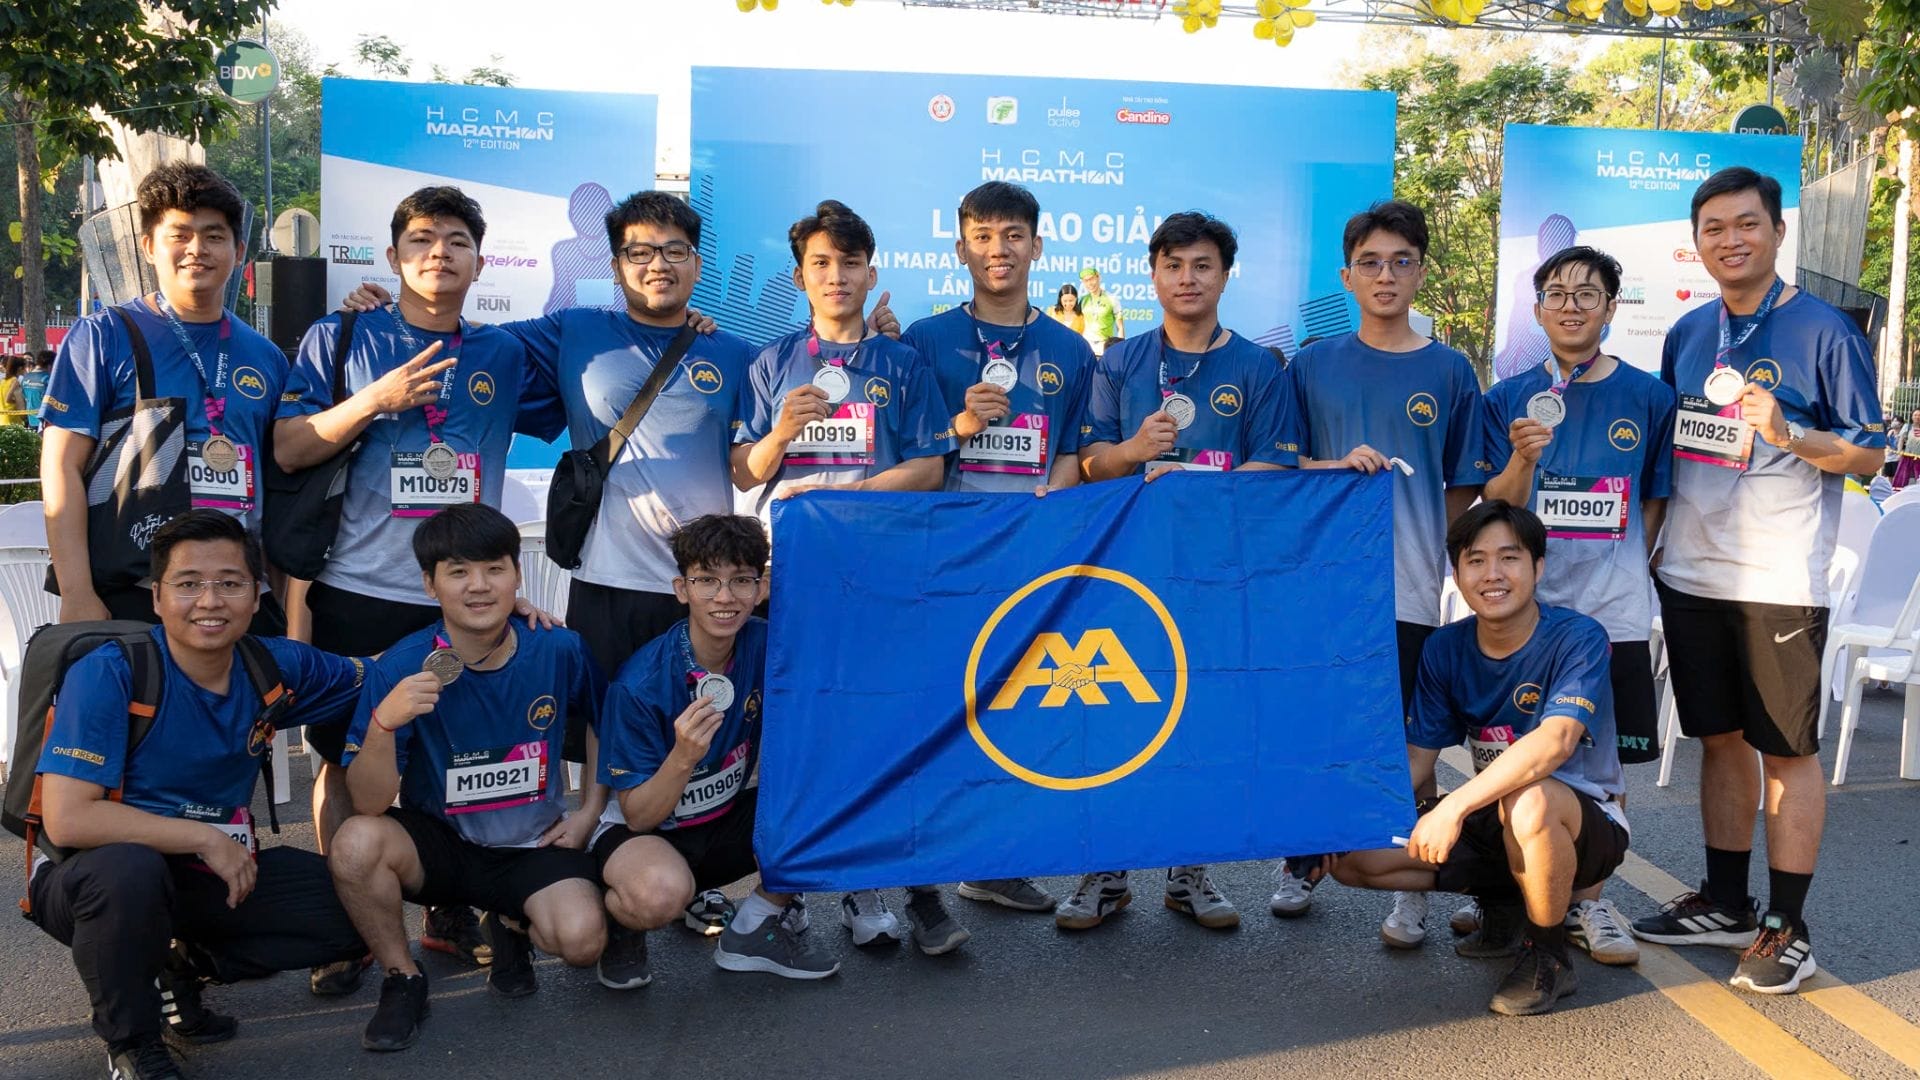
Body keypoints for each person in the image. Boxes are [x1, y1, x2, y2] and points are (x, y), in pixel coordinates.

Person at [1630, 167, 1886, 996]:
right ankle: (1726, 902)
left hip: (1779, 577)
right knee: (1719, 740)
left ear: (1778, 232)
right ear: (1697, 242)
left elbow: (1868, 453)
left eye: (1747, 224)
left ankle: (1788, 925)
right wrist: (1649, 549)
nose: (1731, 239)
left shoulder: (1824, 331)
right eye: (1714, 228)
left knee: (1787, 750)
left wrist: (1790, 433)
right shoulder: (1688, 332)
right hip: (1692, 572)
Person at [277, 185, 537, 984]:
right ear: (392, 257)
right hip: (359, 592)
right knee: (343, 762)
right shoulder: (341, 334)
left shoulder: (505, 354)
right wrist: (374, 401)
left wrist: (695, 323)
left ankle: (448, 906)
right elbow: (288, 447)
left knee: (456, 753)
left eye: (457, 241)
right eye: (421, 239)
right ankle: (350, 924)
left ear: (480, 264)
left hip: (463, 599)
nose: (439, 253)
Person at [25, 510, 369, 1080]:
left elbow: (380, 673)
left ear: (255, 596)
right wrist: (203, 837)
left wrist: (492, 627)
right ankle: (132, 1042)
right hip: (90, 873)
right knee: (128, 874)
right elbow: (68, 819)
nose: (210, 601)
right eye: (188, 584)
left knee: (361, 907)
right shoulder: (111, 672)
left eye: (230, 583)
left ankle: (175, 961)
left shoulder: (272, 664)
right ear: (158, 597)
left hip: (205, 869)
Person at [731, 199, 960, 953]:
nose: (837, 276)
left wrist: (846, 501)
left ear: (870, 272)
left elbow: (929, 468)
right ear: (801, 276)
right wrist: (781, 434)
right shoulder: (770, 363)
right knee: (802, 729)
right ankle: (811, 886)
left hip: (883, 576)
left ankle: (892, 887)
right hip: (792, 580)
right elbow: (744, 470)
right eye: (821, 263)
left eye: (850, 262)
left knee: (881, 725)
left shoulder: (903, 363)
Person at [1066, 210, 1301, 931]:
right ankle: (1104, 870)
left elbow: (1275, 468)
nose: (1187, 278)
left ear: (1225, 275)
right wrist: (1134, 451)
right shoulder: (1119, 363)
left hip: (1217, 578)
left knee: (1204, 721)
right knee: (1115, 717)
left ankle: (1190, 870)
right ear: (1154, 275)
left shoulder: (1258, 368)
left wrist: (1199, 488)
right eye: (1173, 265)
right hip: (1127, 575)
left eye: (1202, 265)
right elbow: (1090, 465)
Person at [1329, 501, 1629, 1017]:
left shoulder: (1578, 637)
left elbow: (1555, 742)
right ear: (1457, 572)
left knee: (1530, 800)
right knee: (1355, 859)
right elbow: (1418, 760)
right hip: (1495, 816)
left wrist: (1453, 807)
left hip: (1583, 822)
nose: (1492, 574)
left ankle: (1548, 955)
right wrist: (1335, 826)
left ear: (1538, 566)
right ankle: (1506, 901)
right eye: (1475, 560)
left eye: (1509, 558)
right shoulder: (1444, 648)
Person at [327, 503, 608, 1051]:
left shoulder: (557, 646)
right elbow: (367, 802)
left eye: (494, 569)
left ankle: (509, 922)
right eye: (458, 572)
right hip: (444, 846)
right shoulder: (402, 665)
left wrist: (591, 811)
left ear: (517, 575)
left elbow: (602, 722)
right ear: (429, 584)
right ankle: (402, 977)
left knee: (581, 942)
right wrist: (384, 723)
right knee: (356, 844)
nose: (479, 586)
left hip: (532, 845)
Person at [1280, 200, 1485, 932]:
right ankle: (1302, 861)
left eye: (1401, 261)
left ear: (1421, 271)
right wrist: (1332, 466)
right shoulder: (1311, 364)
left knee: (1404, 743)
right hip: (1322, 588)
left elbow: (1463, 486)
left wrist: (1446, 563)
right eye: (1370, 262)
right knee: (1317, 728)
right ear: (1347, 276)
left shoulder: (1450, 370)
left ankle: (1410, 877)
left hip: (1409, 591)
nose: (1386, 275)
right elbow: (1283, 467)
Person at [1474, 245, 1676, 966]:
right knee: (1511, 751)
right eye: (1556, 293)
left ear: (1610, 308)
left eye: (1587, 294)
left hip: (1612, 612)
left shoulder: (1650, 397)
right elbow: (1492, 507)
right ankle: (1510, 894)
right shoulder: (1506, 398)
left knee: (1603, 762)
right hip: (1526, 614)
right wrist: (1523, 459)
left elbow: (1654, 502)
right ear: (1537, 310)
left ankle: (1590, 901)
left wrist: (1619, 570)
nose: (1571, 305)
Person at [901, 180, 1097, 916]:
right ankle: (922, 876)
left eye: (1013, 235)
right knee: (938, 713)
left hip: (1028, 564)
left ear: (1036, 246)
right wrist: (957, 425)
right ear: (961, 248)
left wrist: (1046, 521)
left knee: (1013, 713)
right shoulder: (923, 340)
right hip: (945, 563)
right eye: (983, 236)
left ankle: (994, 863)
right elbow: (906, 448)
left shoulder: (1069, 349)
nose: (998, 249)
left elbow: (1072, 453)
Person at [40, 163, 290, 631]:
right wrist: (77, 593)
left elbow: (278, 489)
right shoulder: (103, 337)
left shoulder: (267, 357)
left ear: (238, 251)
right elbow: (61, 466)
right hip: (134, 592)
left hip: (239, 598)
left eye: (214, 236)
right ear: (149, 247)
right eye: (180, 235)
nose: (197, 249)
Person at [592, 513, 838, 985]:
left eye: (741, 580)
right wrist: (683, 756)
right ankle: (623, 923)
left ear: (761, 588)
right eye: (707, 580)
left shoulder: (767, 644)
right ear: (681, 589)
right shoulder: (640, 684)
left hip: (720, 821)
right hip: (645, 834)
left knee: (832, 805)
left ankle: (754, 925)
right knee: (658, 895)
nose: (725, 598)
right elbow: (639, 816)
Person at [1077, 266, 1124, 355]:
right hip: (1086, 345)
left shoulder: (1112, 299)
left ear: (1098, 277)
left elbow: (1120, 327)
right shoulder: (1083, 300)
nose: (1090, 283)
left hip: (1105, 345)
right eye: (1086, 281)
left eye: (1092, 279)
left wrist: (1121, 348)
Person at [21, 349, 52, 429]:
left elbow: (24, 398)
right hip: (45, 422)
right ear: (49, 365)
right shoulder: (48, 378)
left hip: (31, 420)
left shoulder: (25, 378)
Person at [1893, 409, 1920, 489]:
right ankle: (1898, 492)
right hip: (1907, 456)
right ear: (1912, 417)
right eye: (1915, 415)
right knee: (1902, 477)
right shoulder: (1907, 427)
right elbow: (1901, 440)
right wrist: (1899, 452)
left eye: (1919, 415)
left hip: (1919, 457)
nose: (1917, 417)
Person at [0, 354, 27, 425]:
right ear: (20, 368)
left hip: (2, 420)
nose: (25, 370)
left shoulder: (3, 381)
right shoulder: (15, 381)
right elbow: (9, 399)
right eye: (25, 368)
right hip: (13, 421)